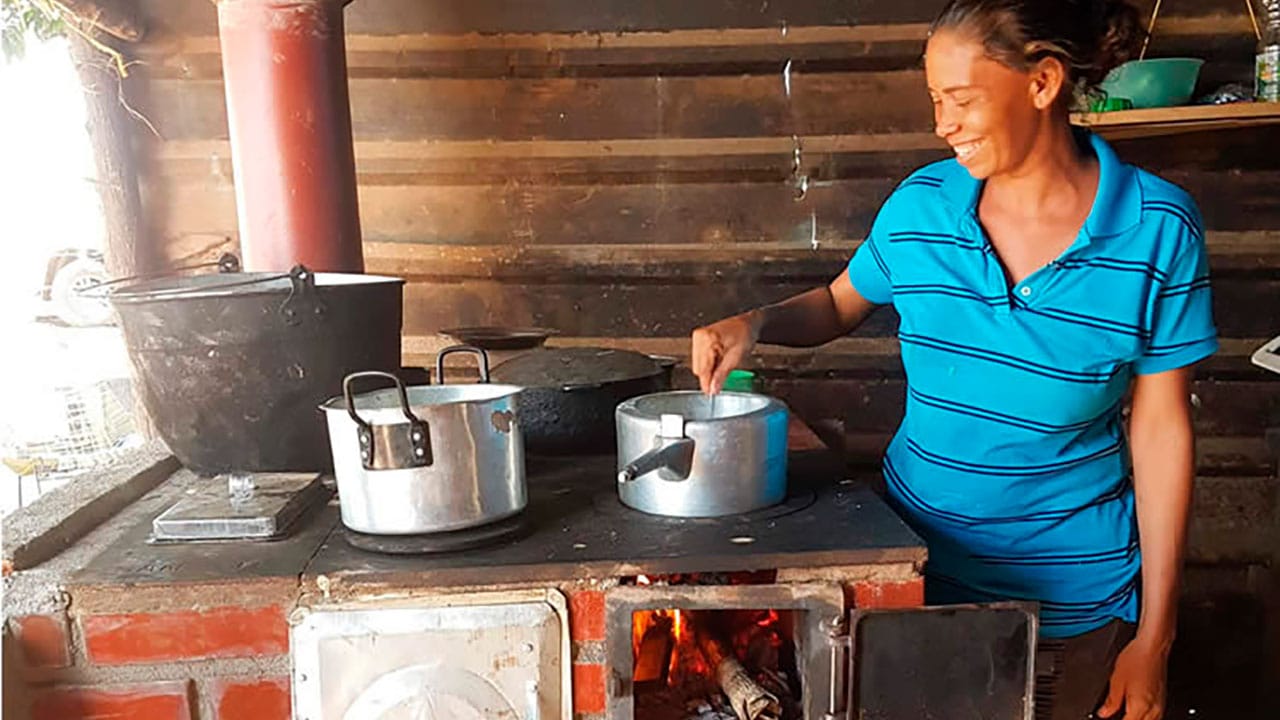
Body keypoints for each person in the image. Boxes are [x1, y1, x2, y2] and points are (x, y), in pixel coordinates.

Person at [690, 1, 1218, 718]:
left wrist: (1156, 637)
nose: (943, 123)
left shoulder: (1156, 230)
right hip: (917, 583)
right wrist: (755, 322)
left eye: (962, 100)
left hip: (1073, 605)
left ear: (1043, 83)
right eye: (937, 101)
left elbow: (1160, 434)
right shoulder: (923, 208)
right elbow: (840, 302)